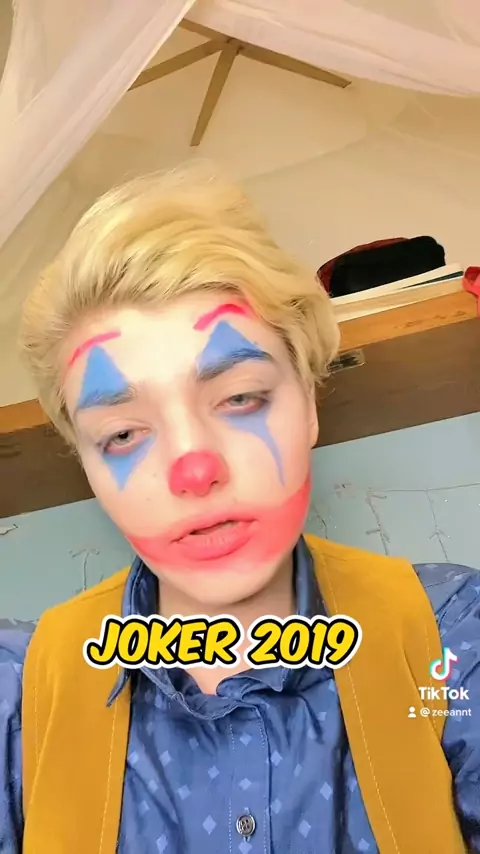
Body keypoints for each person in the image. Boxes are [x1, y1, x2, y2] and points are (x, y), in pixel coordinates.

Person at [0, 163, 479, 853]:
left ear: (309, 403)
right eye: (124, 434)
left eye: (240, 397)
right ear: (88, 464)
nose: (195, 470)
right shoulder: (19, 695)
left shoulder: (451, 636)